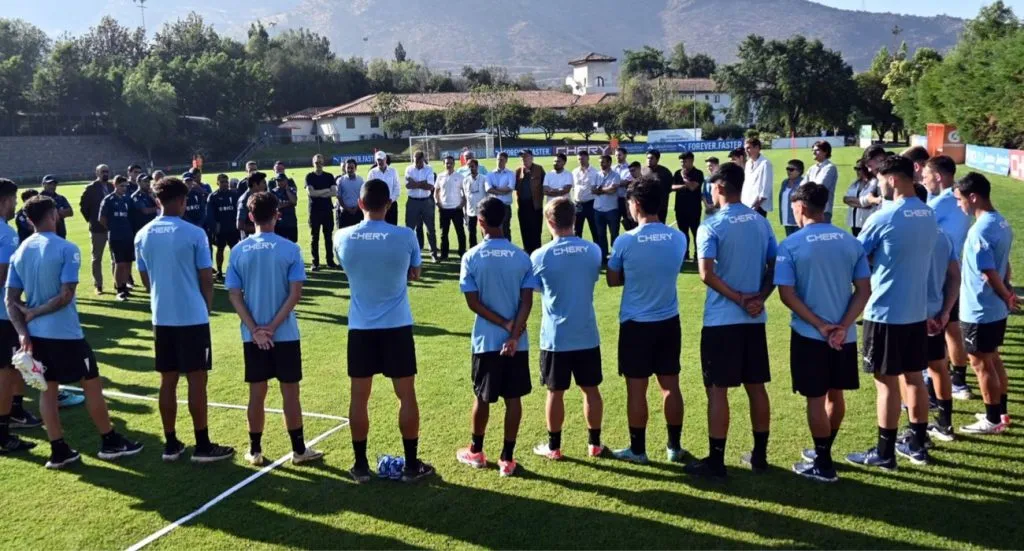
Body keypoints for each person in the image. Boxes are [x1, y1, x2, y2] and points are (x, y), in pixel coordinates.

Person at [6, 195, 143, 468]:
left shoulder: (20, 251)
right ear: (53, 215)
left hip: (36, 336)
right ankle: (109, 441)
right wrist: (36, 312)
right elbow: (66, 295)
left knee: (48, 389)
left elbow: (10, 301)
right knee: (91, 384)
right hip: (65, 334)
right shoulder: (66, 248)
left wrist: (23, 331)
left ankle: (59, 450)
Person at [333, 179, 435, 484]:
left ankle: (361, 466)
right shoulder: (406, 236)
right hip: (397, 327)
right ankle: (412, 466)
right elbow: (414, 272)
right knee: (406, 396)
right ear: (388, 204)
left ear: (361, 204)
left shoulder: (342, 236)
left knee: (359, 398)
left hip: (361, 329)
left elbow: (347, 268)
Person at [775, 183, 871, 483]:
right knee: (835, 393)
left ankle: (824, 464)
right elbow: (863, 290)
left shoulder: (791, 245)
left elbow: (787, 294)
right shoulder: (850, 241)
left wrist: (819, 325)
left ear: (800, 208)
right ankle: (823, 452)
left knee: (815, 398)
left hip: (810, 335)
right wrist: (842, 326)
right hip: (844, 336)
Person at [686, 162, 776, 479]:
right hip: (754, 321)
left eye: (713, 185)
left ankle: (716, 460)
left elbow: (706, 274)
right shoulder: (761, 223)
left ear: (721, 186)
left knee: (718, 390)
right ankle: (760, 456)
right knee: (756, 388)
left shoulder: (712, 225)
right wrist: (760, 298)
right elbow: (774, 266)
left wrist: (739, 299)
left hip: (722, 321)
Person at [846, 154, 937, 470]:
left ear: (893, 179)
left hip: (884, 312)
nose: (878, 186)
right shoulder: (928, 214)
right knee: (914, 378)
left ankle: (884, 453)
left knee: (886, 383)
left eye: (880, 180)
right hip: (915, 310)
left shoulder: (883, 217)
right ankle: (917, 443)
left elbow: (856, 256)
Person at [135, 177, 234, 464]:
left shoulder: (143, 234)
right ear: (182, 200)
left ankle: (170, 443)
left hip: (161, 316)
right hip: (191, 317)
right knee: (196, 380)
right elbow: (207, 277)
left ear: (157, 201)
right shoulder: (194, 233)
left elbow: (145, 278)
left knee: (167, 380)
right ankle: (202, 444)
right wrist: (205, 308)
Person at [226, 191, 323, 465]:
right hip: (286, 335)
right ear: (277, 215)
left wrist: (256, 329)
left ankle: (255, 451)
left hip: (252, 337)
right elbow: (295, 295)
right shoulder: (290, 249)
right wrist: (271, 328)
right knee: (290, 392)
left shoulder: (238, 251)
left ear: (250, 217)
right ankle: (300, 450)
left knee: (257, 393)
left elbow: (234, 295)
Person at [606, 179, 687, 465]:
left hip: (636, 324)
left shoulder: (625, 240)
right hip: (668, 320)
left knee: (636, 390)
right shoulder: (678, 238)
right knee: (670, 386)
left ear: (636, 205)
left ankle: (638, 450)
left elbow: (613, 280)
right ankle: (674, 447)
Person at [456, 197, 538, 477]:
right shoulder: (522, 256)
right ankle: (508, 458)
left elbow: (473, 303)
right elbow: (527, 302)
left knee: (482, 397)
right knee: (513, 398)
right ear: (504, 219)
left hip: (486, 341)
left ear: (480, 222)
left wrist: (503, 324)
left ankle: (476, 452)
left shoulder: (471, 257)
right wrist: (514, 333)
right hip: (517, 342)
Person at [529, 197, 606, 460]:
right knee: (591, 389)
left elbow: (536, 287)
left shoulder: (539, 255)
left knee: (555, 392)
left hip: (555, 337)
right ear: (574, 219)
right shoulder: (593, 250)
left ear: (549, 222)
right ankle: (594, 444)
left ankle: (554, 447)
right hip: (586, 333)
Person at [954, 173, 1015, 434]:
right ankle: (1001, 412)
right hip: (995, 310)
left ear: (973, 197)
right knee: (993, 358)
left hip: (979, 308)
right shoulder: (1001, 222)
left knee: (980, 363)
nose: (959, 205)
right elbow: (1006, 264)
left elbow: (988, 272)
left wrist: (1005, 295)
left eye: (960, 199)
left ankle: (991, 420)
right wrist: (1007, 292)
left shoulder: (979, 230)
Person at [913, 182, 960, 443]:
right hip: (935, 315)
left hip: (910, 315)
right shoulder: (942, 235)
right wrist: (945, 312)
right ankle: (945, 424)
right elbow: (955, 276)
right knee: (938, 367)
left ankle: (915, 434)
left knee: (909, 376)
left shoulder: (906, 234)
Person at [924, 155, 973, 400]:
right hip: (955, 269)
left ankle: (932, 386)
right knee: (952, 327)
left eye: (926, 176)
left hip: (939, 272)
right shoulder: (959, 197)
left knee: (937, 329)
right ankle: (959, 381)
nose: (923, 181)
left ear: (938, 176)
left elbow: (918, 220)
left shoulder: (943, 201)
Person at [0, 179, 38, 453]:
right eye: (13, 199)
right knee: (6, 369)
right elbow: (4, 276)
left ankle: (15, 411)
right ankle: (3, 433)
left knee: (11, 367)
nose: (15, 204)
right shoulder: (7, 234)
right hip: (4, 313)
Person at [98, 175, 136, 301]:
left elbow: (131, 216)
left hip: (128, 235)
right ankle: (119, 290)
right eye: (121, 186)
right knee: (119, 263)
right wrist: (112, 228)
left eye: (126, 186)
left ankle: (125, 287)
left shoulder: (127, 199)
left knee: (128, 262)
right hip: (116, 236)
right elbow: (102, 219)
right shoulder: (108, 200)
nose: (124, 188)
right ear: (115, 185)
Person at [81, 164, 114, 295]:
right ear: (97, 173)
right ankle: (98, 285)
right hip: (97, 229)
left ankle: (118, 283)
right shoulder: (90, 188)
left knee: (115, 257)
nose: (105, 174)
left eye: (107, 171)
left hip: (112, 228)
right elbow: (84, 207)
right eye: (102, 172)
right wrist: (92, 220)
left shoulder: (112, 186)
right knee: (97, 258)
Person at [404, 151, 439, 263]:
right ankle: (410, 255)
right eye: (415, 162)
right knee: (410, 229)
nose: (417, 164)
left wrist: (416, 183)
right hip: (412, 202)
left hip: (426, 202)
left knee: (430, 229)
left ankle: (433, 253)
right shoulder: (409, 169)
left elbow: (430, 187)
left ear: (423, 160)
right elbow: (408, 185)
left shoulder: (429, 169)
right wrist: (422, 183)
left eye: (418, 162)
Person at [305, 154, 337, 271]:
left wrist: (319, 192)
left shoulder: (329, 176)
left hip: (327, 210)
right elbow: (311, 193)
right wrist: (326, 191)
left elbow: (334, 193)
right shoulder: (309, 176)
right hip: (314, 211)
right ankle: (315, 263)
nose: (319, 164)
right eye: (316, 162)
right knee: (315, 238)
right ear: (313, 163)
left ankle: (330, 261)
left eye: (320, 162)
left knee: (328, 237)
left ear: (324, 163)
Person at [672, 152, 704, 260]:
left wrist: (684, 178)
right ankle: (685, 253)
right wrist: (683, 185)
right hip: (680, 208)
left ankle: (697, 254)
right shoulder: (677, 173)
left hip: (694, 208)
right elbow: (672, 187)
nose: (682, 164)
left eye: (684, 161)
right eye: (681, 162)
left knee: (695, 232)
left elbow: (692, 187)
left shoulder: (698, 173)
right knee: (683, 233)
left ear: (691, 161)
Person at [207, 174, 241, 279]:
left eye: (226, 182)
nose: (225, 184)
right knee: (220, 250)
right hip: (220, 229)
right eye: (222, 182)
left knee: (235, 250)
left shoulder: (234, 195)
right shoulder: (213, 196)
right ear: (218, 183)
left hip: (233, 228)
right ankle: (220, 271)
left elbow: (239, 210)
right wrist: (214, 227)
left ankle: (236, 270)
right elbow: (210, 214)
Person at [435, 155, 467, 260]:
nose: (449, 165)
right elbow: (436, 191)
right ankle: (444, 255)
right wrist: (437, 203)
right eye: (447, 163)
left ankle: (462, 253)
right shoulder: (440, 176)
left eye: (451, 163)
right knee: (443, 234)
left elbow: (465, 192)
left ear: (454, 164)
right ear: (443, 164)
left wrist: (462, 204)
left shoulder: (460, 176)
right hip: (444, 209)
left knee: (460, 232)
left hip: (456, 209)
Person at [515, 150, 546, 253]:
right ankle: (527, 251)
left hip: (535, 205)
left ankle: (537, 251)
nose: (523, 159)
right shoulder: (518, 171)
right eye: (522, 158)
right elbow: (515, 187)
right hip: (523, 206)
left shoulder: (539, 169)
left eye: (526, 157)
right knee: (525, 230)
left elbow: (545, 184)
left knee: (536, 230)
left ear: (532, 158)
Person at [592, 154, 621, 261]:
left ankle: (615, 256)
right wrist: (605, 190)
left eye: (603, 162)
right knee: (601, 234)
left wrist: (600, 190)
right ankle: (604, 256)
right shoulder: (596, 175)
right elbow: (592, 190)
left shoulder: (615, 175)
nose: (601, 164)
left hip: (611, 209)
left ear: (609, 162)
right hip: (598, 209)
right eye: (600, 162)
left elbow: (613, 190)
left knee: (614, 234)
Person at [806, 141, 839, 222]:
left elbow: (820, 187)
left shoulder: (830, 168)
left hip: (823, 210)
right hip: (810, 209)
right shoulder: (812, 168)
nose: (813, 152)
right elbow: (802, 186)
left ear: (825, 152)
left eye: (817, 150)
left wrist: (807, 188)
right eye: (812, 150)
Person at [841, 161, 876, 237]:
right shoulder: (855, 183)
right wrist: (861, 203)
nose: (857, 171)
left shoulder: (874, 182)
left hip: (866, 222)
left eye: (859, 169)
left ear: (866, 169)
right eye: (855, 168)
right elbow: (845, 199)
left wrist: (853, 201)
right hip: (854, 222)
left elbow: (869, 204)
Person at [571, 151, 600, 242]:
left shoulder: (595, 172)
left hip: (591, 204)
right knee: (577, 230)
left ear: (588, 158)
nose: (581, 161)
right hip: (578, 204)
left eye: (583, 158)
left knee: (595, 229)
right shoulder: (574, 172)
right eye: (579, 159)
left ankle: (599, 253)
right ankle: (578, 252)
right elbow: (573, 187)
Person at [486, 152, 515, 239]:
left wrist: (496, 188)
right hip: (493, 207)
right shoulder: (489, 174)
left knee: (506, 229)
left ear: (506, 160)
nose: (499, 161)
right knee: (494, 230)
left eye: (501, 159)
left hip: (505, 206)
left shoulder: (510, 173)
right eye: (498, 159)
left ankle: (508, 249)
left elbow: (510, 188)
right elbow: (488, 189)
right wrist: (502, 192)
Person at [640, 150, 674, 224]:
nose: (649, 160)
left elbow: (669, 188)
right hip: (645, 207)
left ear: (657, 159)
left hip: (661, 207)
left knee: (660, 227)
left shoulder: (665, 172)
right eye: (647, 158)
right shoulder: (642, 171)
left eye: (651, 158)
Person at [742, 138, 773, 217]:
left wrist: (756, 205)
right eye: (745, 148)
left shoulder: (765, 163)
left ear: (757, 148)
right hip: (747, 204)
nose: (746, 151)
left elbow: (766, 187)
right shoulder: (748, 163)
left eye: (749, 148)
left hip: (759, 206)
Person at [367, 151, 401, 225]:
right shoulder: (372, 173)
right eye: (378, 160)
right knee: (378, 228)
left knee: (392, 227)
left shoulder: (393, 171)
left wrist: (390, 200)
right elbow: (369, 190)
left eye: (382, 159)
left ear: (385, 159)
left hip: (391, 204)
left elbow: (397, 188)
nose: (380, 161)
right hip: (377, 206)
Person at [463, 159, 489, 250]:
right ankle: (472, 250)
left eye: (472, 166)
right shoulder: (465, 180)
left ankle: (486, 248)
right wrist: (465, 211)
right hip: (470, 211)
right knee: (471, 232)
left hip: (482, 210)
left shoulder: (484, 178)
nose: (470, 168)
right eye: (469, 166)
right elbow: (465, 197)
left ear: (477, 167)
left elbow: (488, 194)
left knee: (485, 231)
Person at [272, 164, 299, 243]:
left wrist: (287, 191)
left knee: (292, 243)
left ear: (286, 180)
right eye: (277, 180)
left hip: (291, 222)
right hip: (278, 224)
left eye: (281, 180)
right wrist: (289, 203)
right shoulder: (273, 191)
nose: (279, 182)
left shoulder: (291, 189)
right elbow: (277, 205)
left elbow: (294, 201)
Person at [237, 172, 268, 239]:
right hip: (250, 241)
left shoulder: (259, 196)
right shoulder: (244, 200)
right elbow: (240, 225)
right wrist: (262, 229)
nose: (265, 186)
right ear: (255, 184)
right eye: (263, 183)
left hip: (261, 238)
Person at [335, 159, 364, 230]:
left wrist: (357, 208)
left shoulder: (361, 180)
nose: (350, 170)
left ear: (355, 168)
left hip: (357, 212)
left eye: (352, 168)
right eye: (348, 168)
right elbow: (339, 197)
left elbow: (362, 196)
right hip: (345, 213)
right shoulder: (340, 180)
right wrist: (347, 208)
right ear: (345, 168)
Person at [779, 160, 805, 236]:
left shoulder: (803, 183)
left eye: (791, 169)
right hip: (786, 219)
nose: (788, 171)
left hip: (798, 221)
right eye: (787, 168)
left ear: (799, 171)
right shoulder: (784, 182)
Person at [613, 148, 636, 231]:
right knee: (614, 226)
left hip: (626, 201)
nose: (617, 157)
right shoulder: (613, 168)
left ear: (625, 155)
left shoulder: (630, 168)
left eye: (619, 155)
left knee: (630, 224)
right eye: (616, 155)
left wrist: (613, 184)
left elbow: (625, 182)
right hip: (613, 201)